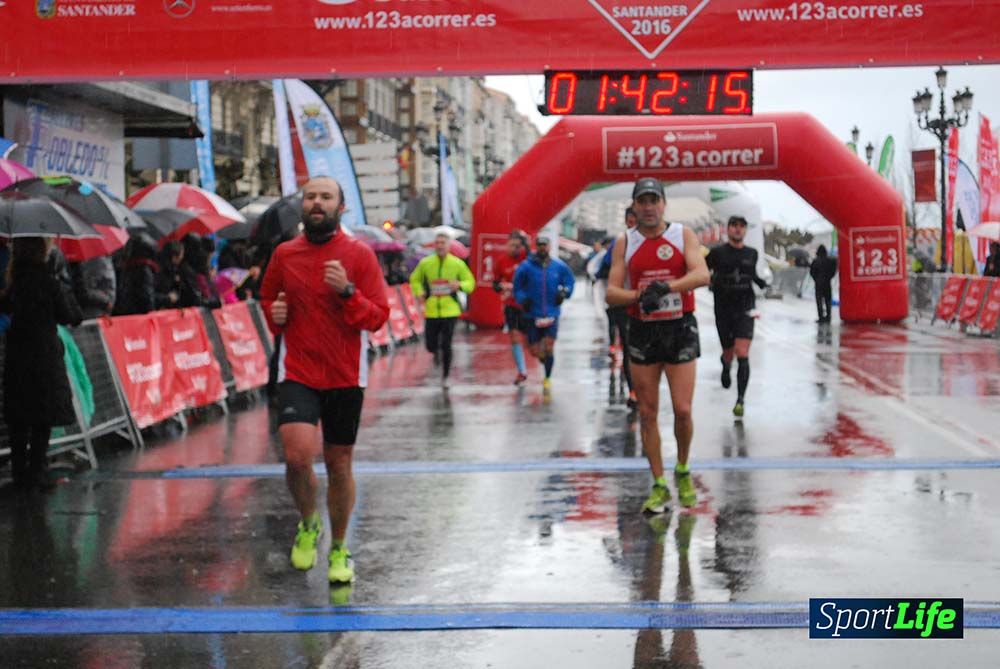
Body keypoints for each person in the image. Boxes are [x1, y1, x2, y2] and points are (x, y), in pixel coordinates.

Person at [260, 176, 389, 585]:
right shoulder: (284, 254)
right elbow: (268, 298)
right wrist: (274, 315)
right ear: (303, 205)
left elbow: (378, 317)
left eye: (325, 197)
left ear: (340, 207)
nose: (317, 203)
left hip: (345, 373)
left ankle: (338, 547)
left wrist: (348, 292)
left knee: (338, 463)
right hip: (298, 369)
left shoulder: (359, 255)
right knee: (297, 456)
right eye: (311, 196)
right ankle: (308, 523)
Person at [606, 178, 710, 513]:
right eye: (643, 201)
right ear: (634, 207)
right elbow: (611, 292)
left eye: (654, 200)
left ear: (664, 204)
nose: (649, 207)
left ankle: (682, 468)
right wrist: (639, 296)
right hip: (643, 330)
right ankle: (659, 483)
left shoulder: (683, 234)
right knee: (648, 413)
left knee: (682, 409)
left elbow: (702, 275)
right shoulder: (626, 241)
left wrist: (666, 288)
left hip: (679, 328)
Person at [0, 237, 83, 490]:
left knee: (19, 418)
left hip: (17, 356)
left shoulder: (15, 284)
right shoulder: (50, 283)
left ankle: (19, 474)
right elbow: (72, 316)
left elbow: (5, 305)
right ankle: (37, 473)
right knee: (41, 418)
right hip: (44, 356)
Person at [705, 216, 768, 418]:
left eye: (742, 227)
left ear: (746, 230)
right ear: (728, 229)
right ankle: (725, 364)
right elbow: (702, 270)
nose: (738, 230)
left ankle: (740, 399)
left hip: (745, 307)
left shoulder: (752, 253)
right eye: (734, 226)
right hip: (723, 307)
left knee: (743, 352)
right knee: (729, 351)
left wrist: (761, 283)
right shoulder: (717, 253)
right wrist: (710, 281)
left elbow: (752, 274)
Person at [408, 231, 475, 387]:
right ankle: (435, 351)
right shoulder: (426, 263)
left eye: (442, 243)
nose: (439, 246)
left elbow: (470, 282)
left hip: (450, 310)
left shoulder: (457, 264)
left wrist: (459, 285)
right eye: (437, 243)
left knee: (447, 344)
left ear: (448, 246)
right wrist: (419, 292)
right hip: (431, 310)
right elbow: (414, 279)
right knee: (430, 344)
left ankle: (446, 375)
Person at [513, 234, 575, 391]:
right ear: (536, 246)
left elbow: (569, 280)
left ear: (549, 247)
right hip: (532, 314)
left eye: (545, 245)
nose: (542, 248)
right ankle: (543, 359)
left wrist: (564, 293)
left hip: (552, 313)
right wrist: (522, 299)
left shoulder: (558, 266)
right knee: (534, 351)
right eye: (539, 245)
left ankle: (547, 378)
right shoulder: (526, 267)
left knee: (549, 347)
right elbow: (517, 286)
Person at [598, 206, 638, 407]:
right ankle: (633, 391)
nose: (632, 226)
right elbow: (602, 269)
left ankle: (643, 388)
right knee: (630, 348)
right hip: (623, 303)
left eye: (635, 221)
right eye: (629, 222)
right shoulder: (619, 244)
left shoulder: (655, 241)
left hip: (648, 306)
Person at [493, 229, 530, 385]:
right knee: (514, 337)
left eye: (517, 245)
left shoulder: (526, 259)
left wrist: (525, 243)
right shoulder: (502, 261)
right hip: (511, 305)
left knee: (531, 341)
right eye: (511, 245)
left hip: (528, 305)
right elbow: (494, 284)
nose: (514, 249)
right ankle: (522, 371)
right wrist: (502, 286)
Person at [70, 255, 116, 320]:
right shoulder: (96, 261)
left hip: (95, 309)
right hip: (92, 311)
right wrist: (106, 301)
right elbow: (83, 292)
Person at [809, 244, 838, 323]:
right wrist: (829, 277)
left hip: (818, 284)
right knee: (828, 300)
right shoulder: (830, 261)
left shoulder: (815, 261)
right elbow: (833, 270)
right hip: (827, 283)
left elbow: (812, 272)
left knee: (819, 301)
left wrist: (816, 279)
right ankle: (828, 316)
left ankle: (821, 317)